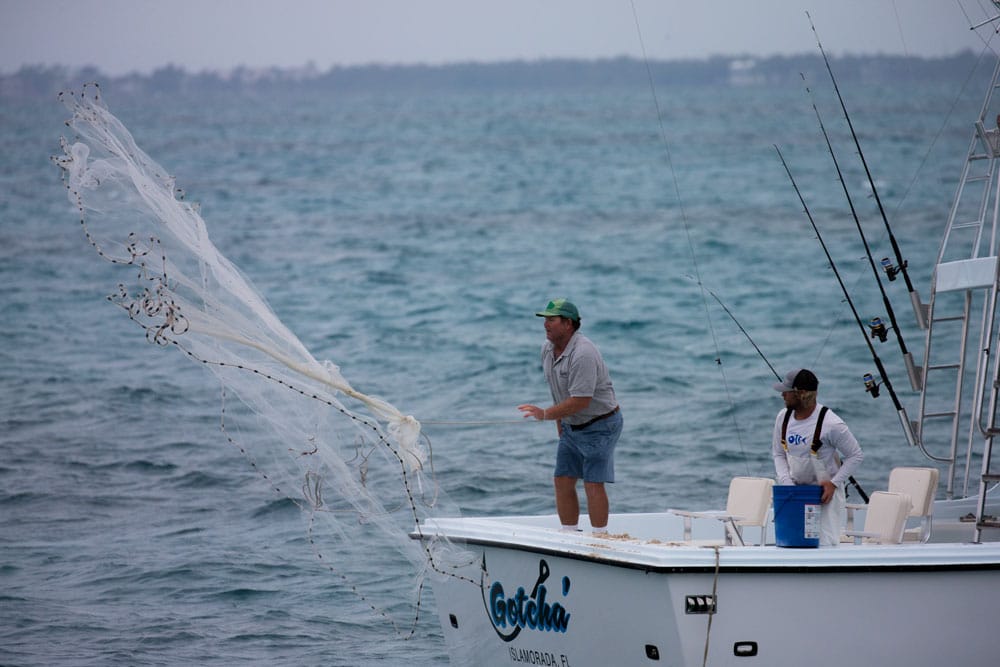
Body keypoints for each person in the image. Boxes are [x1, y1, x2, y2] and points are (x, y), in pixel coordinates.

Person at [518, 299, 623, 535]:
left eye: (551, 320)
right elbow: (558, 390)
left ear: (568, 324)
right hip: (571, 424)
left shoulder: (583, 353)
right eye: (544, 319)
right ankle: (568, 533)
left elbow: (581, 400)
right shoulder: (547, 348)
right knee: (563, 479)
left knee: (593, 482)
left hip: (602, 424)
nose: (545, 325)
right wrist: (559, 421)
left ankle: (600, 537)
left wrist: (544, 414)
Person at [771, 368, 863, 546]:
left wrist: (834, 483)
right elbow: (778, 453)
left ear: (802, 393)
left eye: (787, 391)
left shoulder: (832, 424)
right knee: (793, 543)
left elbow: (855, 456)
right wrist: (787, 483)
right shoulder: (783, 417)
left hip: (824, 496)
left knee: (824, 544)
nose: (782, 395)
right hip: (795, 494)